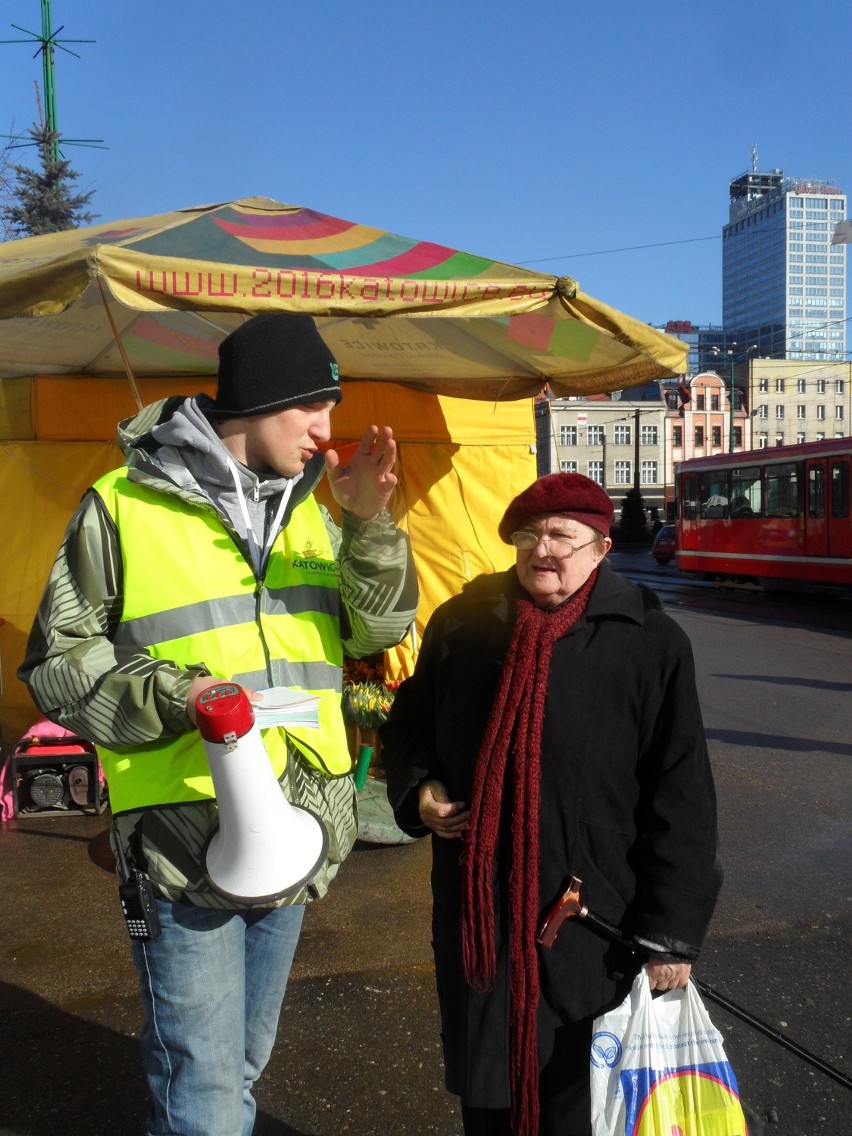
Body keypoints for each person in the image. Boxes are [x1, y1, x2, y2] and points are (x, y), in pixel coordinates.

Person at [19, 312, 418, 1136]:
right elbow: (56, 664)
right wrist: (177, 696)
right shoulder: (122, 504)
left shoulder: (319, 507)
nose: (326, 431)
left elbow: (374, 633)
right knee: (201, 1084)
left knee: (241, 1060)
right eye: (311, 408)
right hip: (178, 840)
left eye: (331, 410)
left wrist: (372, 524)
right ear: (256, 404)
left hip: (300, 829)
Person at [381, 472, 722, 1136]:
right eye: (529, 537)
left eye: (564, 537)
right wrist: (420, 790)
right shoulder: (466, 623)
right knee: (489, 1095)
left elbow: (681, 793)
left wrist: (671, 935)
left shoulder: (647, 640)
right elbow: (408, 726)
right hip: (482, 915)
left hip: (594, 925)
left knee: (581, 1101)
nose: (545, 551)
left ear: (600, 548)